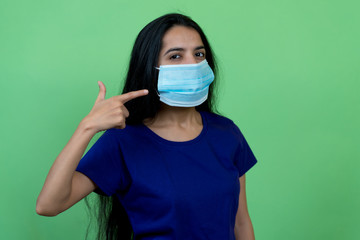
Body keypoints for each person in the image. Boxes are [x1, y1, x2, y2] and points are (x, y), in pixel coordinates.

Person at [36, 13, 258, 240]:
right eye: (176, 56)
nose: (192, 64)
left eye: (199, 54)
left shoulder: (227, 133)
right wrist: (87, 127)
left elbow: (241, 223)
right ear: (150, 67)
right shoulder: (123, 141)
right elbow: (49, 205)